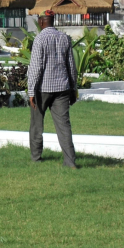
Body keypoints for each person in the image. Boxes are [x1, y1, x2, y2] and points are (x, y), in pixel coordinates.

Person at [27, 10, 78, 168]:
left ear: (41, 22)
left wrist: (31, 92)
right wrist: (73, 88)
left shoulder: (39, 39)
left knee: (37, 124)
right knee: (64, 126)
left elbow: (36, 68)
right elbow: (71, 66)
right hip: (62, 89)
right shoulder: (64, 38)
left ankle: (36, 158)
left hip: (42, 89)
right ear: (52, 21)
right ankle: (70, 162)